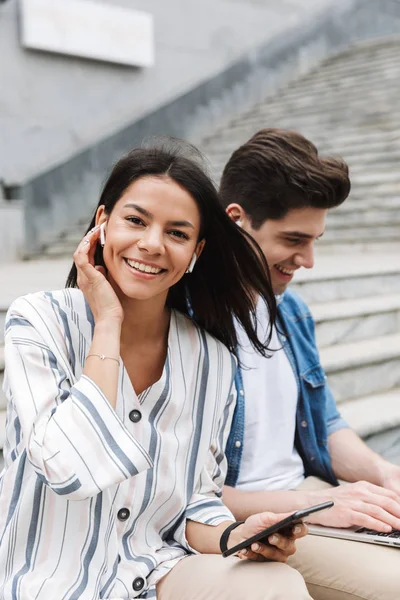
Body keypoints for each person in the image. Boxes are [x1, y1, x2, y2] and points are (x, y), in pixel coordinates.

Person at [0, 140, 310, 600]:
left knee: (274, 585)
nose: (151, 244)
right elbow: (71, 468)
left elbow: (197, 499)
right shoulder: (38, 321)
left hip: (155, 572)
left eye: (177, 233)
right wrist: (108, 322)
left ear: (196, 252)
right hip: (48, 583)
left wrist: (237, 535)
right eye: (136, 220)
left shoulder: (211, 358)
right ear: (102, 223)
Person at [219, 129, 400, 600]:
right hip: (254, 524)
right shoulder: (186, 322)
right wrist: (315, 503)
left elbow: (327, 423)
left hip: (312, 496)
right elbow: (181, 493)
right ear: (236, 222)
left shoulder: (291, 311)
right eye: (294, 239)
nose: (309, 260)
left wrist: (385, 475)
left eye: (316, 239)